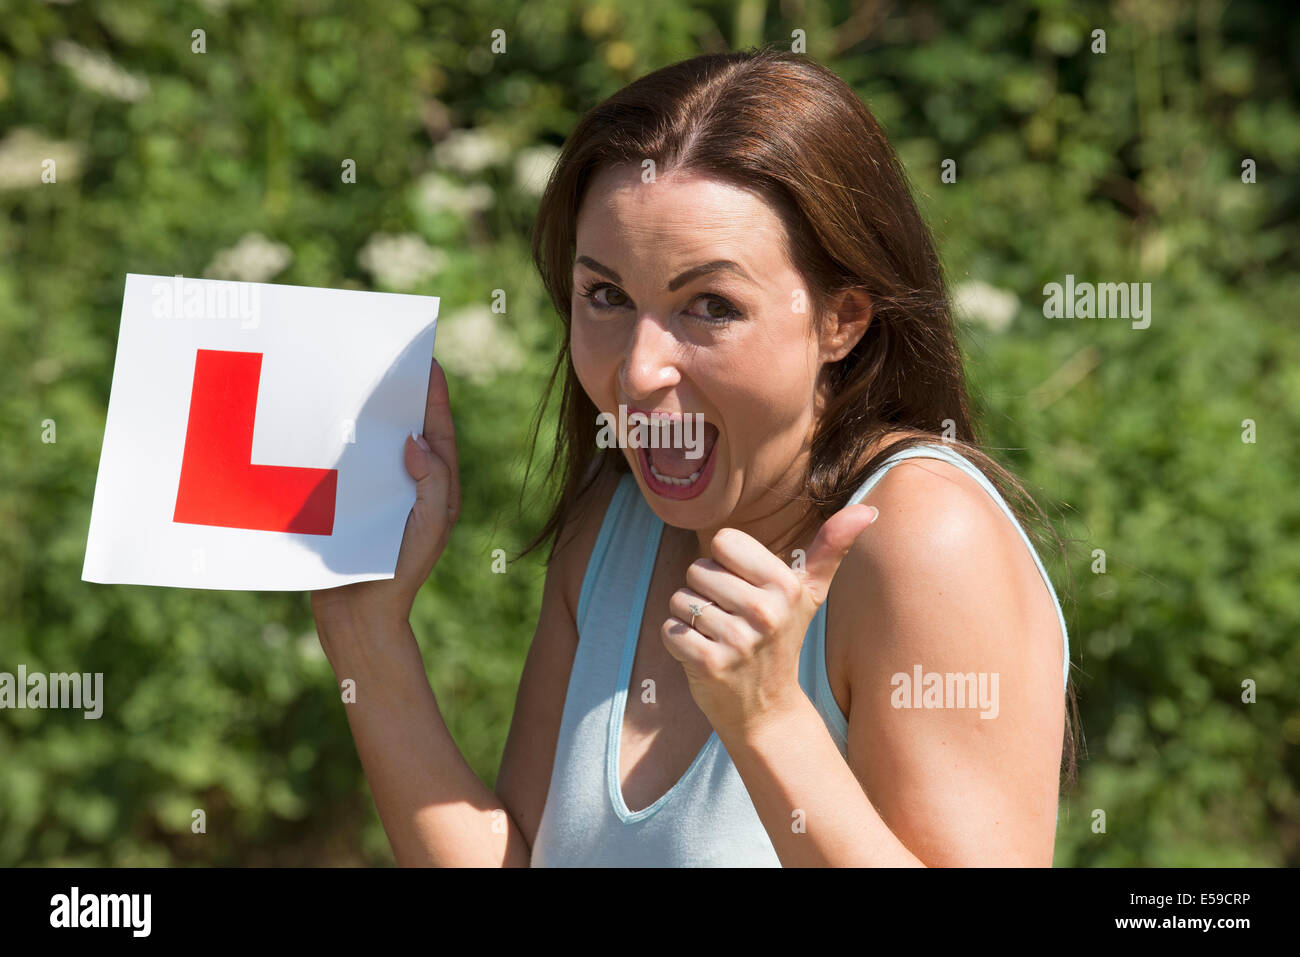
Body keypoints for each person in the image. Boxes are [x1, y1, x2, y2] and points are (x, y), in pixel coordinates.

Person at [310, 47, 1079, 867]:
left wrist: (772, 723)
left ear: (842, 319)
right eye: (606, 295)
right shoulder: (612, 524)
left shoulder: (924, 543)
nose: (639, 370)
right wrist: (368, 635)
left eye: (710, 306)